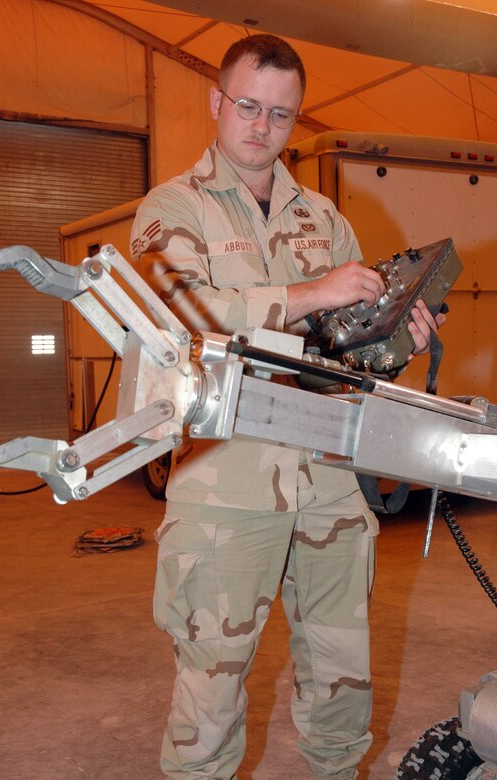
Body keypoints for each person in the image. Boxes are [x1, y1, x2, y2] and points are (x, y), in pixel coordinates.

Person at [130, 34, 444, 780]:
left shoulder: (324, 219)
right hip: (225, 488)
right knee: (211, 699)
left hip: (329, 480)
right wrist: (312, 293)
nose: (261, 125)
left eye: (280, 112)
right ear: (216, 102)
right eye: (247, 106)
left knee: (339, 687)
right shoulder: (174, 207)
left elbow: (346, 346)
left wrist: (397, 331)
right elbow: (175, 317)